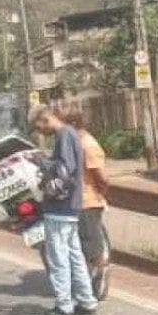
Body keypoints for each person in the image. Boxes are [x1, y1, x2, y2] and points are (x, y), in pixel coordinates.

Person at [29, 105, 97, 315]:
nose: (40, 132)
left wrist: (42, 162)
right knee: (74, 255)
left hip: (59, 206)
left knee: (58, 256)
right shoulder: (70, 134)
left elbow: (64, 168)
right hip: (71, 206)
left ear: (45, 119)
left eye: (38, 127)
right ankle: (86, 301)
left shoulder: (64, 135)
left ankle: (64, 306)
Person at [63, 109, 109, 297]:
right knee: (83, 244)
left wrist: (100, 193)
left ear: (73, 125)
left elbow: (101, 178)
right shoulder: (76, 143)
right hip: (79, 201)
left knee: (92, 245)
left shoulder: (87, 145)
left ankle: (99, 280)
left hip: (88, 202)